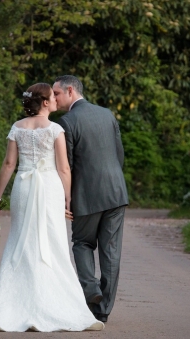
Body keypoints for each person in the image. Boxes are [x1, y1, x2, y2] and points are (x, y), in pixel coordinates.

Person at [0, 83, 104, 332]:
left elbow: (8, 164)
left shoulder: (17, 127)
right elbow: (63, 168)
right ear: (45, 102)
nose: (55, 100)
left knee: (22, 242)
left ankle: (12, 308)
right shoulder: (55, 130)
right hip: (50, 188)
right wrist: (68, 199)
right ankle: (56, 307)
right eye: (52, 97)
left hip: (24, 186)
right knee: (52, 244)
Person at [53, 75, 128, 323]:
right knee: (111, 251)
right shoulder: (107, 114)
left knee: (82, 243)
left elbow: (68, 165)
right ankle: (103, 309)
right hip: (116, 193)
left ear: (70, 91)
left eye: (56, 94)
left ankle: (91, 289)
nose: (53, 98)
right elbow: (119, 154)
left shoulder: (67, 121)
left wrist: (66, 199)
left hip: (86, 195)